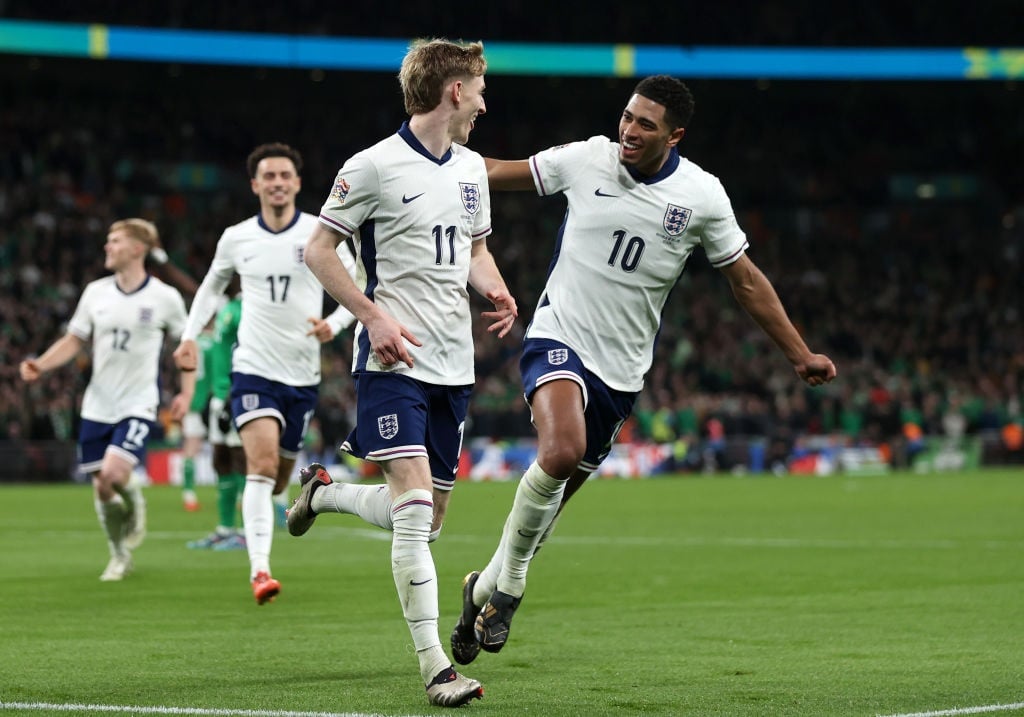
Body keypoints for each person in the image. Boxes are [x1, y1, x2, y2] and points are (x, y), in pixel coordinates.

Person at [449, 75, 838, 664]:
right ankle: (508, 592)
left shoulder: (702, 196)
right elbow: (496, 171)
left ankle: (479, 590)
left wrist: (799, 353)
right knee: (557, 453)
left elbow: (746, 281)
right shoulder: (586, 159)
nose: (629, 130)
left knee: (550, 501)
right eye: (627, 117)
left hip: (622, 372)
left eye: (645, 125)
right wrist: (431, 152)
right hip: (558, 334)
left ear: (674, 135)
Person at [286, 38, 517, 707]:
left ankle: (323, 494)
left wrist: (495, 289)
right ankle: (436, 667)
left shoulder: (472, 168)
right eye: (477, 85)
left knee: (428, 517)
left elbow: (474, 250)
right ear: (453, 91)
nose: (483, 98)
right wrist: (371, 315)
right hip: (391, 361)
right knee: (415, 512)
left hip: (454, 363)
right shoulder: (373, 167)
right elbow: (319, 248)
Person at [173, 142, 356, 604]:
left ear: (296, 182)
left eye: (284, 175)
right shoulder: (237, 238)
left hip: (301, 374)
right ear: (255, 185)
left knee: (277, 477)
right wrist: (190, 336)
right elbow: (212, 287)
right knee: (258, 467)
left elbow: (356, 281)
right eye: (268, 176)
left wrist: (332, 324)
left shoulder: (321, 231)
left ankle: (295, 501)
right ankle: (260, 571)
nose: (276, 183)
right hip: (252, 369)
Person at [19, 218, 195, 581]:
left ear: (137, 248)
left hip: (138, 401)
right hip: (98, 404)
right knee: (102, 484)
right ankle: (119, 555)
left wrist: (187, 392)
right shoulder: (96, 292)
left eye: (114, 241)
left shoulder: (164, 297)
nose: (107, 247)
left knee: (114, 474)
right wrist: (42, 364)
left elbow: (187, 348)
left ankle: (132, 500)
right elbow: (74, 340)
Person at [187, 284, 248, 551]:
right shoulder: (228, 307)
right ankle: (225, 528)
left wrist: (235, 392)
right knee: (220, 458)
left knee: (241, 459)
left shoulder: (250, 308)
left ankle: (247, 533)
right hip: (220, 396)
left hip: (239, 393)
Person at [180, 323, 213, 512]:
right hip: (211, 401)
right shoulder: (215, 342)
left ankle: (188, 493)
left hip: (192, 401)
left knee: (191, 447)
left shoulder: (191, 343)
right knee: (226, 447)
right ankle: (237, 494)